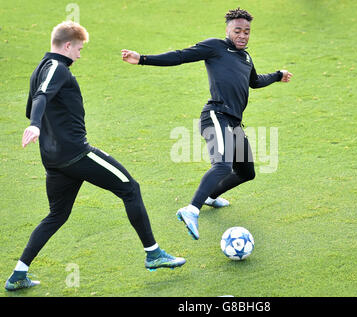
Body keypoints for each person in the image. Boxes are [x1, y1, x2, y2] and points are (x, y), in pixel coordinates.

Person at [5, 21, 185, 292]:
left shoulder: (40, 69)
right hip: (76, 154)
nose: (80, 54)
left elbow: (32, 104)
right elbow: (40, 98)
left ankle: (18, 275)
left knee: (57, 215)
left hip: (53, 160)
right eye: (78, 49)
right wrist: (36, 124)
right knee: (130, 188)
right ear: (67, 46)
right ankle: (153, 254)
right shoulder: (56, 68)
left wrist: (41, 122)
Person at [121, 8, 293, 240]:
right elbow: (181, 56)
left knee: (246, 172)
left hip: (234, 121)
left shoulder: (246, 57)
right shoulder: (215, 47)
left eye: (247, 31)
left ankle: (211, 196)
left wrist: (277, 74)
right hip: (216, 115)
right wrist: (142, 59)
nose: (243, 35)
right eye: (238, 31)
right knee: (222, 165)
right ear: (227, 30)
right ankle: (191, 209)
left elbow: (254, 81)